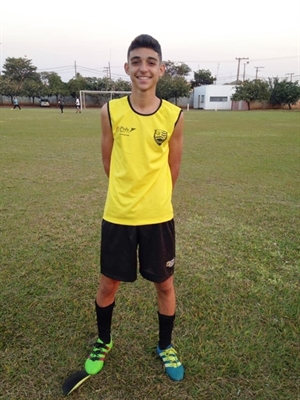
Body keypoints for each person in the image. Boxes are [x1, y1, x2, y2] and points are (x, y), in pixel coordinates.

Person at [84, 34, 184, 381]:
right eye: (137, 61)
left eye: (151, 62)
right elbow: (108, 162)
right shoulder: (109, 111)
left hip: (158, 217)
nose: (144, 68)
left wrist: (154, 197)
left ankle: (165, 346)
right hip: (119, 216)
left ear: (161, 69)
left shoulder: (174, 115)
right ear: (127, 68)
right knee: (108, 284)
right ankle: (103, 341)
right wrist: (128, 194)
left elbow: (173, 168)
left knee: (165, 285)